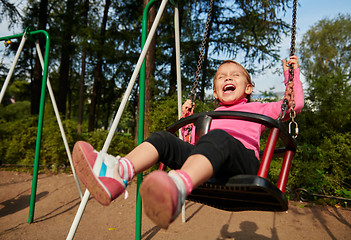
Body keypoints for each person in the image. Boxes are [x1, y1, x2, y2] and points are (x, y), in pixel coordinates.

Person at [72, 55, 304, 229]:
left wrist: (291, 76)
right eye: (222, 77)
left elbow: (294, 105)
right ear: (215, 92)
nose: (228, 78)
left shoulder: (258, 108)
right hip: (210, 167)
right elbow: (193, 147)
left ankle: (177, 187)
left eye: (235, 75)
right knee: (163, 138)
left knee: (218, 138)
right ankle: (117, 173)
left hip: (243, 166)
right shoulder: (209, 118)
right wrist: (186, 124)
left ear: (248, 88)